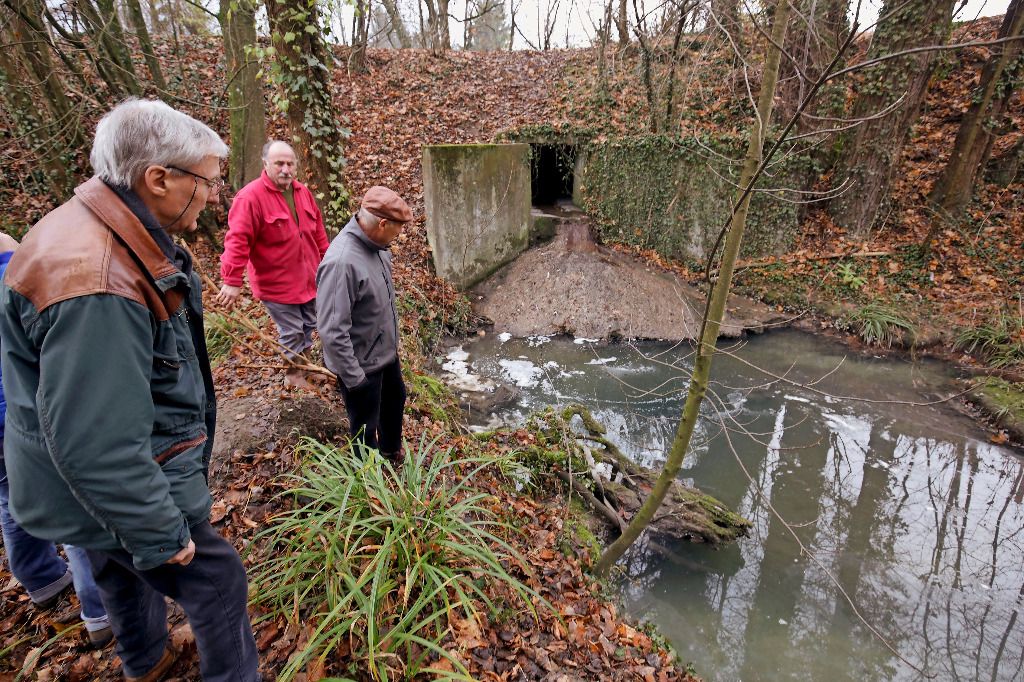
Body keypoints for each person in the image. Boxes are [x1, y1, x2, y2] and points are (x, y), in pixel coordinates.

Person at [0, 99, 258, 682]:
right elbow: (96, 442)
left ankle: (147, 662)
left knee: (113, 565)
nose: (215, 196)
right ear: (158, 178)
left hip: (68, 483)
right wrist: (159, 530)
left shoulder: (93, 226)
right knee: (216, 580)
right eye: (208, 182)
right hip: (99, 476)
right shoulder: (98, 283)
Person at [0, 232, 113, 649]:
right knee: (72, 511)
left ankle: (41, 579)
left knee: (10, 498)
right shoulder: (26, 285)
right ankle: (99, 611)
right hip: (27, 418)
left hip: (12, 424)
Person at [216, 141, 330, 389]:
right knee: (292, 330)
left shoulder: (302, 193)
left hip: (309, 278)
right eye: (279, 163)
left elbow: (318, 232)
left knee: (309, 324)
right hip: (276, 283)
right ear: (266, 164)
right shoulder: (250, 198)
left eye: (290, 163)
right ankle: (293, 375)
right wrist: (232, 280)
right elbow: (237, 240)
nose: (285, 169)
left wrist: (329, 264)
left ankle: (304, 365)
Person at [316, 186, 412, 462]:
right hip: (360, 366)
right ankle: (368, 481)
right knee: (365, 428)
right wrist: (355, 378)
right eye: (397, 229)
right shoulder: (342, 262)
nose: (398, 236)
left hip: (384, 354)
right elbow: (332, 330)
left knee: (395, 401)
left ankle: (391, 453)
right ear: (382, 223)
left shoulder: (379, 247)